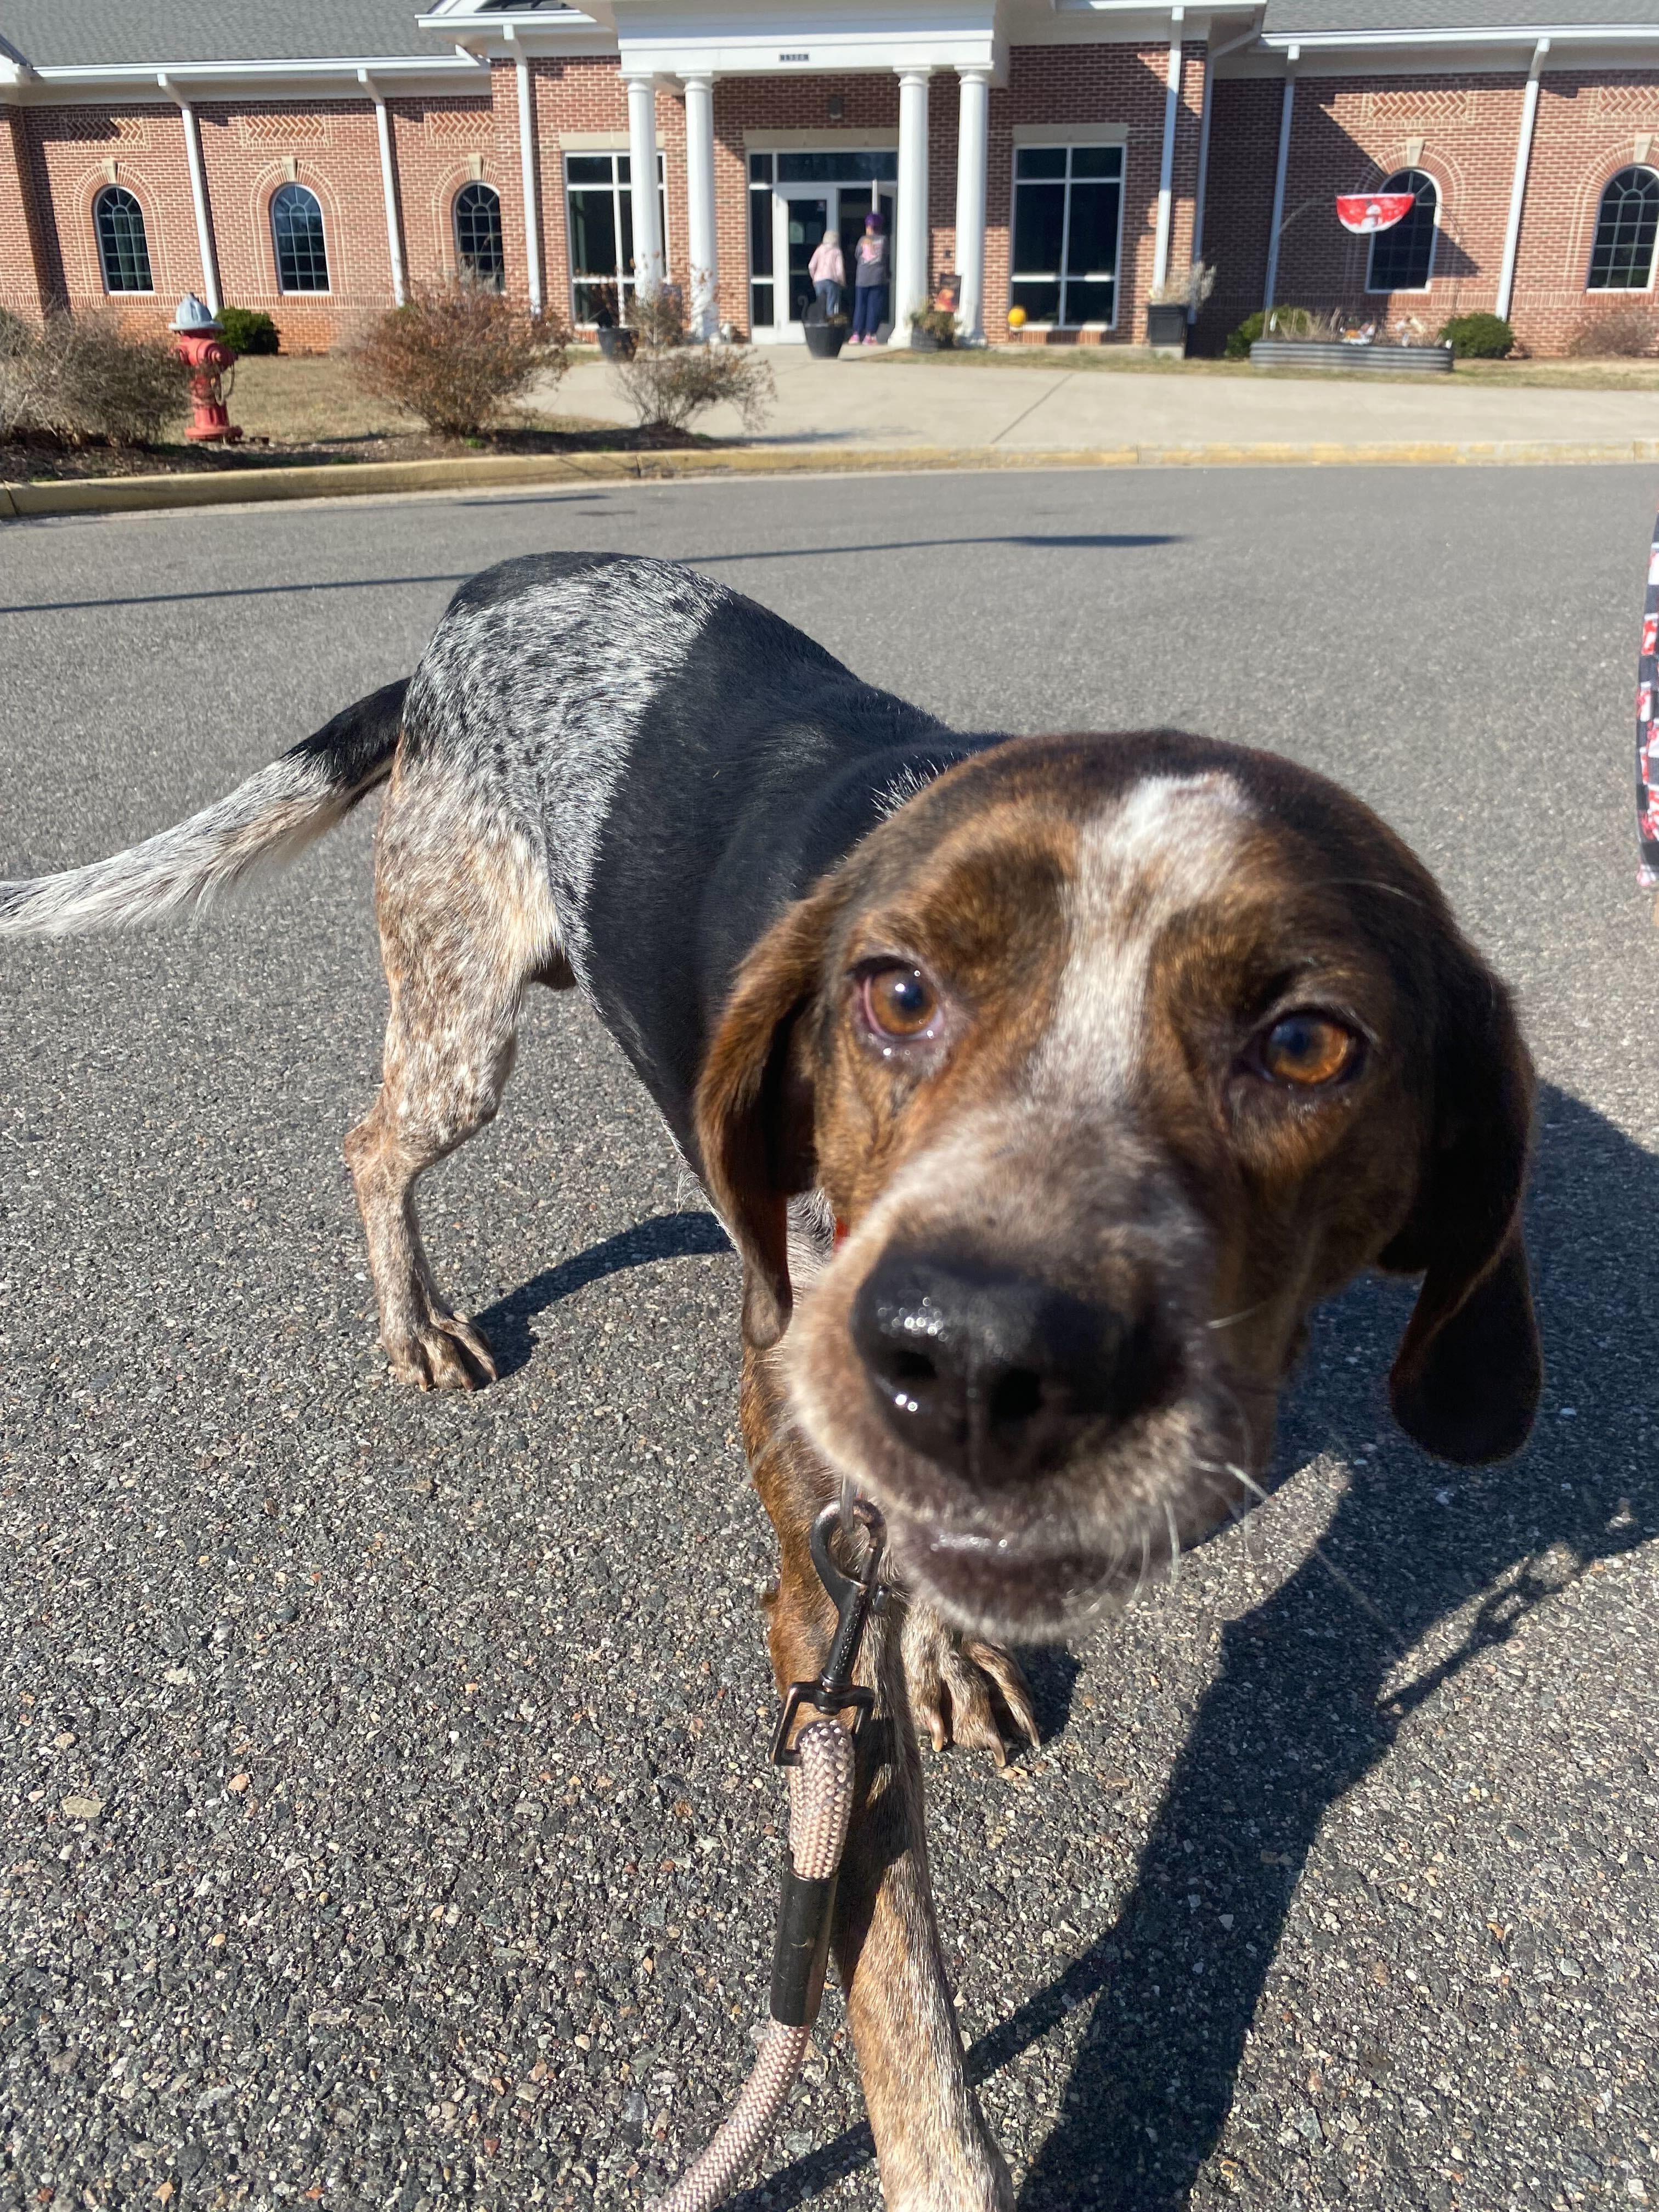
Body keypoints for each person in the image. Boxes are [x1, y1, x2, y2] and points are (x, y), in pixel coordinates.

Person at [849, 211, 889, 347]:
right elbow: (885, 257)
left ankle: (856, 334)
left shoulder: (862, 240)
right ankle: (870, 335)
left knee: (860, 306)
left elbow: (856, 255)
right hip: (877, 278)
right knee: (874, 307)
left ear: (869, 227)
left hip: (862, 278)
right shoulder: (883, 240)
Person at [807, 226, 845, 320]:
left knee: (821, 306)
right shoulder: (837, 251)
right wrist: (842, 282)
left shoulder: (819, 250)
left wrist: (814, 278)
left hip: (819, 281)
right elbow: (840, 271)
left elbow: (811, 266)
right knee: (830, 307)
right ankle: (829, 329)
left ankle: (820, 325)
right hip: (832, 281)